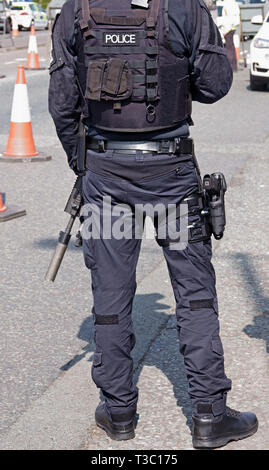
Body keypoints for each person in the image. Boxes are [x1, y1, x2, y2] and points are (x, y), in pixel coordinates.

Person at [49, 0, 258, 449]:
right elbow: (216, 85)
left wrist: (83, 166)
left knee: (110, 296)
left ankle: (120, 413)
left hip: (107, 177)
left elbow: (62, 102)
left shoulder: (76, 10)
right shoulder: (184, 7)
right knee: (195, 296)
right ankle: (209, 416)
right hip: (171, 180)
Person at [217, 0, 240, 71]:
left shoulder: (227, 4)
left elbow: (228, 19)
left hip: (228, 28)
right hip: (232, 27)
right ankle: (234, 66)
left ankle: (230, 66)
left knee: (229, 48)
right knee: (231, 47)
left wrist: (225, 30)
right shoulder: (234, 3)